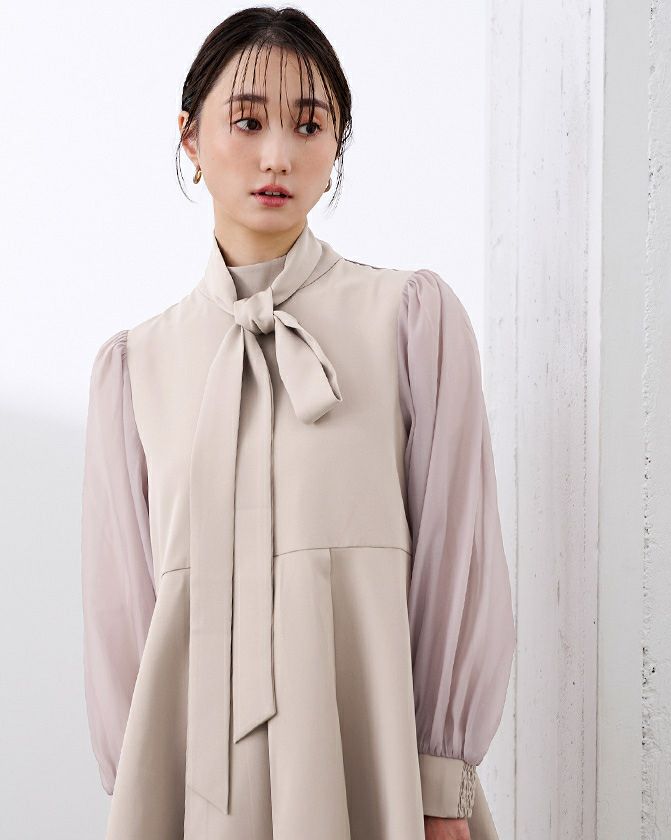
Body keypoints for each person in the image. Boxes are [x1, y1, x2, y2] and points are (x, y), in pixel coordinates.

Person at [80, 7, 516, 840]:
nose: (277, 155)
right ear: (190, 137)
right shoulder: (133, 371)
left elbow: (457, 563)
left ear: (336, 145)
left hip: (376, 772)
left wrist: (439, 783)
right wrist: (141, 790)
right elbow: (123, 620)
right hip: (197, 792)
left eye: (309, 125)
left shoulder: (410, 322)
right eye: (247, 122)